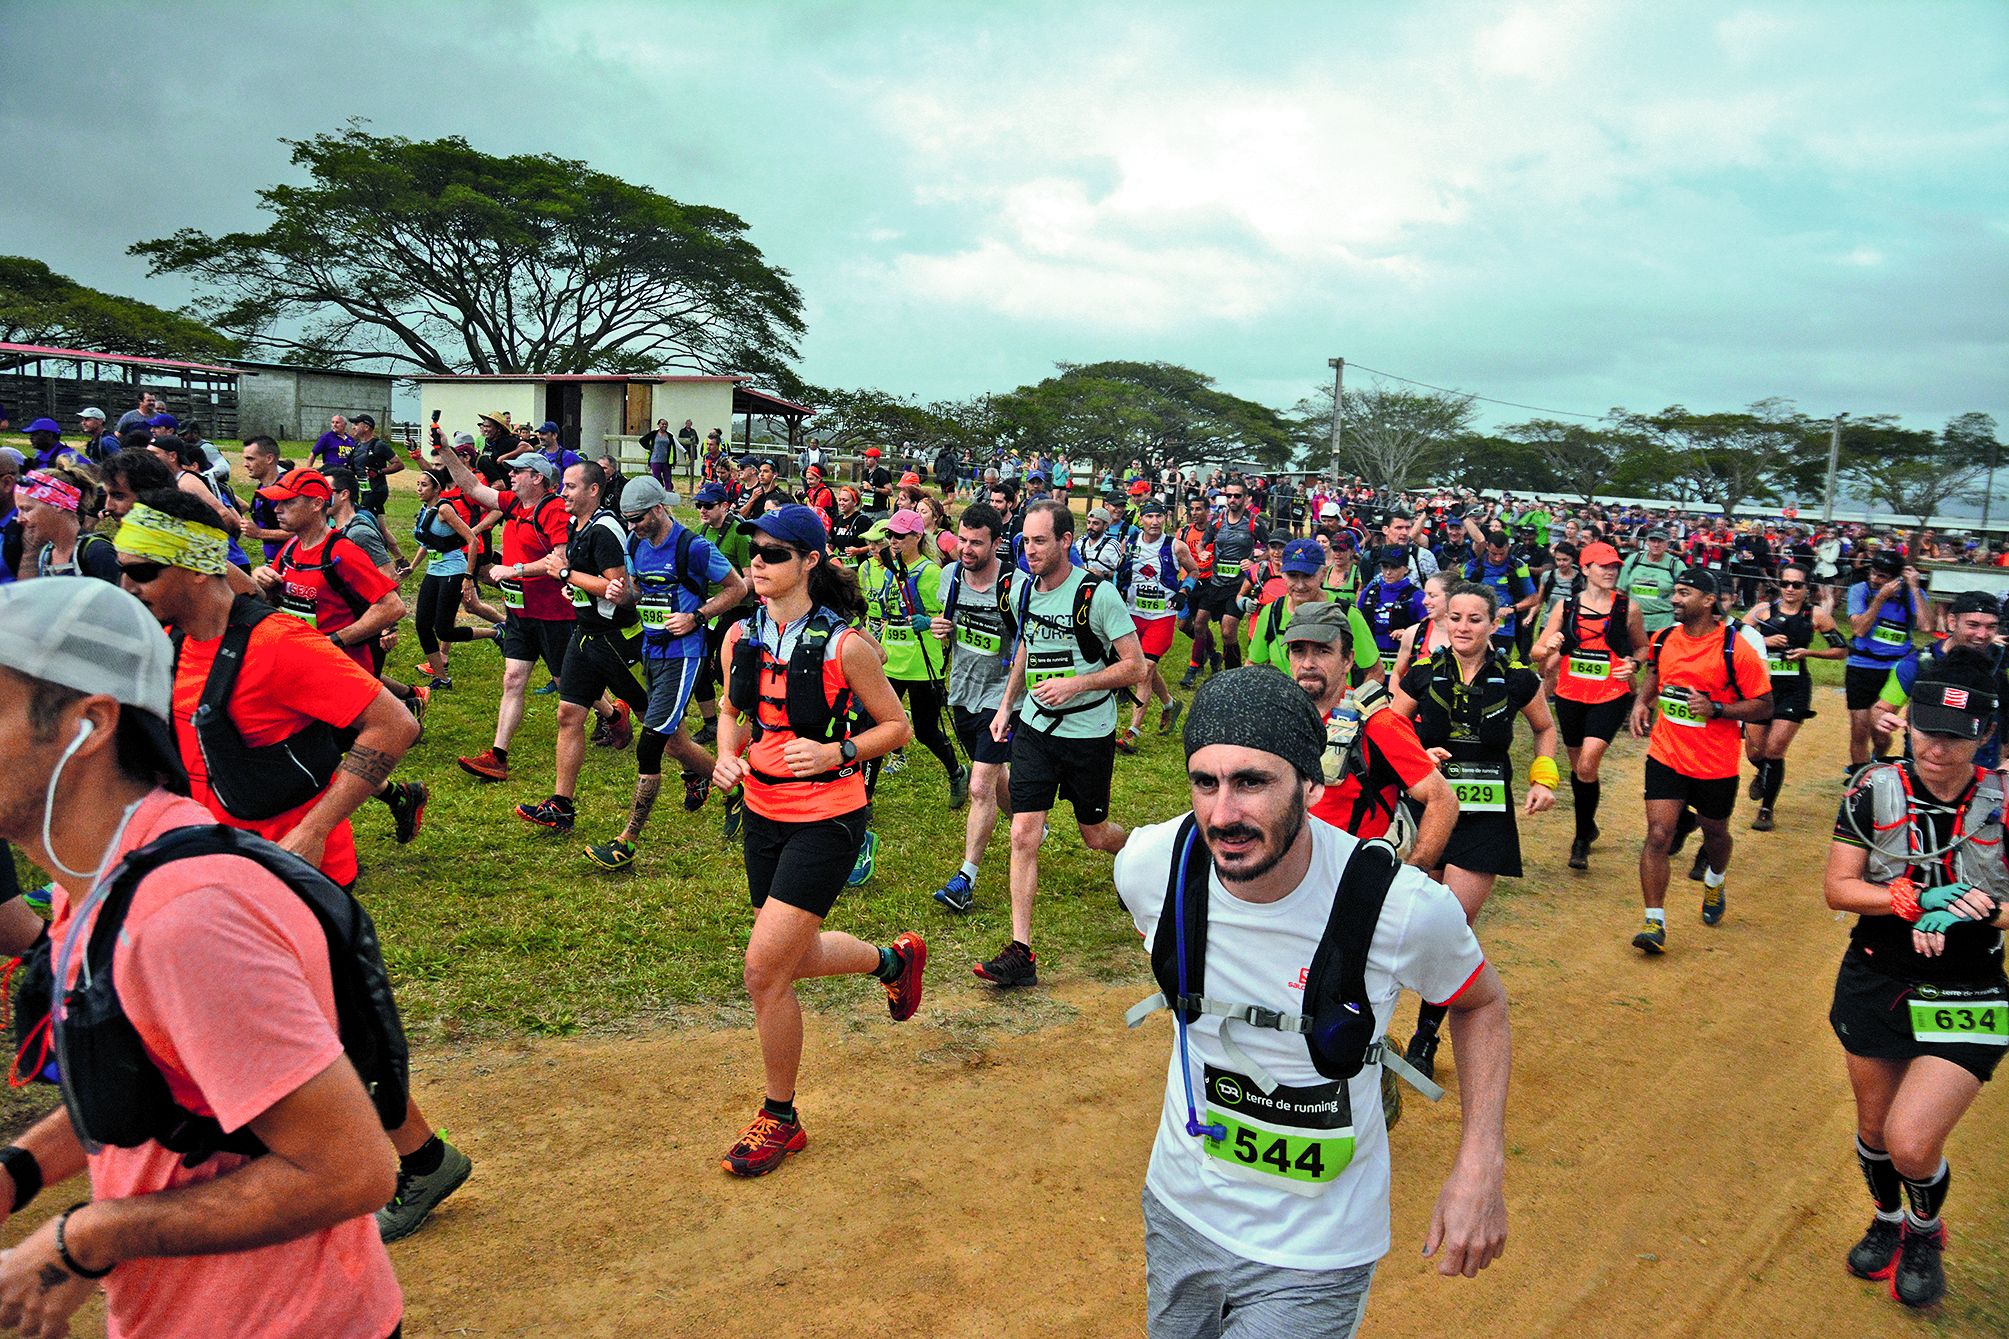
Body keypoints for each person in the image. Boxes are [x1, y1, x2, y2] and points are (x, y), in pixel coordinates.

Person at [0, 577, 407, 1337]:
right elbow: (157, 1082)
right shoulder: (93, 874)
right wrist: (20, 1168)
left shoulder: (183, 916)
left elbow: (353, 1169)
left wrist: (85, 1237)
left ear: (88, 726)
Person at [114, 495, 472, 1244]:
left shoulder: (275, 644)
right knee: (295, 1031)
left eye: (142, 570)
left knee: (328, 1034)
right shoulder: (182, 639)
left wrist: (313, 830)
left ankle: (419, 1159)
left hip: (294, 879)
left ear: (192, 563)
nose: (130, 588)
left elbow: (394, 721)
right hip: (227, 872)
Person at [1117, 667, 1508, 1338]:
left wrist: (1479, 1160)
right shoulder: (1153, 866)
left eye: (1251, 781)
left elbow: (1480, 1004)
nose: (1221, 814)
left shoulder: (1397, 906)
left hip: (1315, 1249)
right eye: (1204, 781)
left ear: (1311, 782)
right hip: (1181, 1211)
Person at [710, 505, 926, 1176]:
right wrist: (727, 756)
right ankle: (891, 962)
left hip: (828, 816)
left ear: (809, 560)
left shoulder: (845, 646)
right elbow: (731, 712)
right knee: (793, 959)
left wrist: (835, 749)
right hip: (762, 811)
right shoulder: (739, 635)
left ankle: (780, 1116)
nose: (758, 561)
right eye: (755, 550)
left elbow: (896, 727)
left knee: (763, 969)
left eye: (774, 552)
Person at [1822, 650, 2007, 1309]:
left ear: (1983, 734)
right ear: (1908, 722)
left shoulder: (2002, 802)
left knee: (1910, 1140)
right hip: (1877, 979)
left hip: (1970, 990)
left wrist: (1979, 906)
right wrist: (1910, 900)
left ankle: (1923, 1231)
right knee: (1874, 1131)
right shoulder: (1872, 788)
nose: (1937, 745)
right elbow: (1838, 888)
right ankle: (1886, 1218)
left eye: (1956, 734)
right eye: (1927, 728)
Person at [1391, 582, 1557, 1079]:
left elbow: (1545, 730)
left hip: (1486, 816)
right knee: (1407, 922)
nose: (1463, 627)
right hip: (1431, 812)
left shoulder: (1517, 678)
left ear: (1493, 624)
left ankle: (1424, 1036)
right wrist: (1420, 755)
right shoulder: (1422, 676)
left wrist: (1543, 776)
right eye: (1456, 618)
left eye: (1474, 620)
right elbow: (1392, 731)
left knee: (1452, 924)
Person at [979, 500, 1148, 987]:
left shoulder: (1099, 595)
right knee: (1022, 834)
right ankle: (1021, 952)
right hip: (1034, 729)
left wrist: (1075, 683)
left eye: (1040, 541)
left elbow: (1134, 667)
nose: (1030, 551)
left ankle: (1144, 851)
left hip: (1087, 734)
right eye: (1025, 541)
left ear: (1065, 541)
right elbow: (1027, 647)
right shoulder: (1020, 590)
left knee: (1094, 836)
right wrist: (1007, 705)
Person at [584, 477, 748, 870]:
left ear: (659, 509)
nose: (633, 526)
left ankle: (627, 840)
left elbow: (737, 588)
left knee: (650, 744)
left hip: (684, 654)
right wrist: (616, 594)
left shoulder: (693, 547)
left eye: (638, 518)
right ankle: (738, 788)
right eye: (627, 520)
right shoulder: (636, 544)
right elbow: (639, 593)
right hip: (651, 651)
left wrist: (697, 616)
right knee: (677, 745)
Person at [1626, 568, 1774, 953]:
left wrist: (1718, 708)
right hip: (1666, 754)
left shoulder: (1734, 649)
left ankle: (1715, 879)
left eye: (1684, 593)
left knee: (1715, 834)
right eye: (1674, 592)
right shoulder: (1663, 640)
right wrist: (1643, 703)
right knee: (1659, 834)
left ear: (1709, 600)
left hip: (1715, 764)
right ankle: (1653, 922)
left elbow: (1764, 706)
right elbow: (1656, 676)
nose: (1675, 599)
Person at [511, 461, 642, 833]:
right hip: (585, 633)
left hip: (615, 637)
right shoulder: (575, 525)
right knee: (568, 714)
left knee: (661, 727)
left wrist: (567, 575)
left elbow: (618, 590)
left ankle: (706, 775)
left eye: (570, 487)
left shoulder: (604, 530)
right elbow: (588, 582)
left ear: (593, 490)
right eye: (563, 486)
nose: (563, 492)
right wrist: (574, 587)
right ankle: (561, 806)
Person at [436, 449, 576, 782]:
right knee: (513, 678)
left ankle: (612, 714)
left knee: (566, 684)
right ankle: (497, 756)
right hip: (519, 613)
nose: (510, 475)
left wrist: (514, 570)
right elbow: (472, 487)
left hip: (553, 614)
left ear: (538, 478)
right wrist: (445, 450)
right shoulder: (513, 503)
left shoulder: (553, 509)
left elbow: (559, 562)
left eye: (518, 471)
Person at [1282, 602, 1456, 865]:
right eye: (1298, 651)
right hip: (1288, 874)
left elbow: (1443, 800)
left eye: (1322, 651)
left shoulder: (1379, 725)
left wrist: (1414, 872)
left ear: (1348, 660)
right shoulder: (1279, 718)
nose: (1307, 663)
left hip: (1349, 876)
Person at [928, 502, 1022, 913]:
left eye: (976, 543)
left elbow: (1026, 646)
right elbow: (949, 632)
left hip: (1002, 698)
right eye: (962, 540)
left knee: (980, 784)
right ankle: (1028, 819)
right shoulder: (949, 578)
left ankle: (965, 878)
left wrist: (1007, 704)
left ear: (997, 544)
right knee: (995, 775)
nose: (965, 549)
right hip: (962, 692)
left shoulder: (1016, 585)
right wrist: (941, 628)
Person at [1534, 541, 1647, 871]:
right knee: (1580, 769)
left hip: (1610, 695)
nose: (1611, 571)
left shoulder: (1628, 609)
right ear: (1585, 570)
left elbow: (1642, 648)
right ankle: (1588, 824)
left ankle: (1581, 837)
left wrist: (1634, 665)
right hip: (1570, 694)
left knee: (1586, 765)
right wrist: (1549, 645)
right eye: (1603, 566)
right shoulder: (1565, 608)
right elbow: (1536, 654)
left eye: (1614, 566)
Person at [859, 509, 967, 808]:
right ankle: (864, 799)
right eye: (889, 535)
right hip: (890, 662)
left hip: (922, 665)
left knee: (925, 731)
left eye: (900, 536)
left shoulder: (931, 572)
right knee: (876, 729)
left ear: (917, 537)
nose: (892, 540)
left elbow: (949, 618)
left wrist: (928, 620)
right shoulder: (887, 569)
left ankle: (956, 771)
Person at [1741, 563, 1847, 830]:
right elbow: (1733, 639)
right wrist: (1763, 642)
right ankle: (1762, 770)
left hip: (1794, 689)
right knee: (1755, 752)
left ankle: (1766, 809)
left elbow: (1841, 650)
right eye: (1785, 583)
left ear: (1806, 588)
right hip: (1760, 687)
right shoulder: (1762, 611)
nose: (1790, 589)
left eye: (1796, 585)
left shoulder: (1817, 616)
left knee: (1774, 750)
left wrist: (1807, 653)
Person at [1871, 590, 2008, 772]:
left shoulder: (2002, 660)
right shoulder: (1916, 664)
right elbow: (1881, 708)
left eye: (1991, 627)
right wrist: (1882, 719)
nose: (1982, 635)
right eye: (1973, 625)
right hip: (1927, 764)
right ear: (1952, 622)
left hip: (1982, 769)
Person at [409, 468, 499, 689]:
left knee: (444, 630)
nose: (419, 489)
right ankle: (441, 678)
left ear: (437, 488)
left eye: (424, 485)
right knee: (422, 625)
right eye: (418, 484)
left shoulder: (445, 509)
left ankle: (497, 632)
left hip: (453, 571)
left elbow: (472, 541)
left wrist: (468, 577)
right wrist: (411, 567)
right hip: (434, 570)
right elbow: (426, 543)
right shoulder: (424, 509)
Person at [1844, 550, 1929, 769]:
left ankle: (1876, 758)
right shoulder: (1860, 591)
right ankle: (1859, 776)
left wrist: (1914, 588)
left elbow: (1926, 626)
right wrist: (1880, 598)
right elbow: (1859, 629)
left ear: (1895, 578)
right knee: (1859, 728)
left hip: (1895, 669)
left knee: (1881, 734)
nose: (1874, 579)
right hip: (1861, 665)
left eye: (1882, 576)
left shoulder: (1910, 593)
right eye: (1873, 573)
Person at [1118, 499, 1192, 752]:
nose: (1155, 522)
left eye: (1159, 516)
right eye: (1150, 517)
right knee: (1145, 668)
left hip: (1161, 617)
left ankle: (1132, 732)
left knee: (1144, 669)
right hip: (1133, 614)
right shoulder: (1130, 543)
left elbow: (1194, 571)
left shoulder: (1176, 546)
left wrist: (1185, 590)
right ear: (1141, 519)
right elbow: (1121, 570)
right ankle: (1170, 704)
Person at [15, 465, 120, 583]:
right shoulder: (45, 554)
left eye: (27, 509)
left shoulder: (97, 553)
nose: (19, 519)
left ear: (58, 504)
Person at [1460, 524, 1539, 662]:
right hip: (1476, 625)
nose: (1497, 558)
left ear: (1508, 547)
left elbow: (1533, 598)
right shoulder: (1473, 565)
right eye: (1493, 554)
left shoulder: (1518, 566)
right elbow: (1459, 592)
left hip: (1504, 628)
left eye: (1502, 554)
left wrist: (1512, 609)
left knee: (1499, 664)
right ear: (1487, 548)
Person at [1358, 545, 1429, 680]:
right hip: (1370, 662)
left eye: (1394, 567)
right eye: (1385, 566)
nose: (1388, 572)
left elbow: (1430, 627)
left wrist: (1409, 632)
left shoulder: (1416, 596)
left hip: (1401, 664)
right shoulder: (1370, 591)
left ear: (1406, 569)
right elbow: (1358, 619)